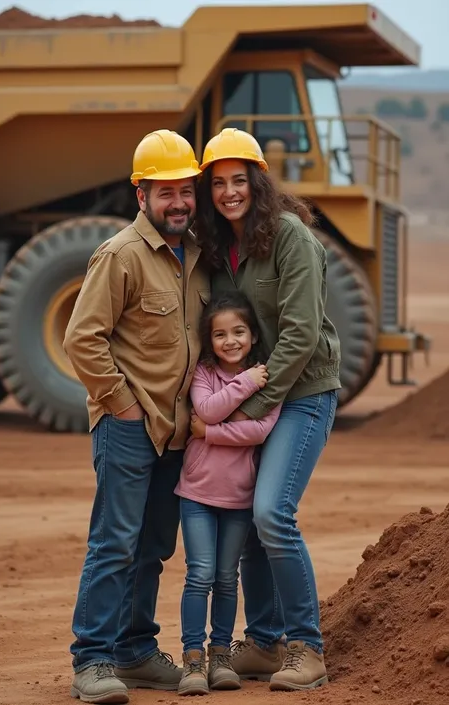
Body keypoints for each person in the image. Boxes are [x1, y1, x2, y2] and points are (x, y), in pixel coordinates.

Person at [63, 129, 210, 705]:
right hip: (129, 427)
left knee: (152, 546)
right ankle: (93, 660)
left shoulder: (194, 258)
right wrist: (122, 406)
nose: (178, 201)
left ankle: (136, 652)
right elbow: (83, 338)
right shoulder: (121, 254)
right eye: (165, 191)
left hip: (176, 434)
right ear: (141, 194)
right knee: (114, 543)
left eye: (185, 190)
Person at [194, 127, 341, 691]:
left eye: (239, 180)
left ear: (257, 181)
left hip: (302, 394)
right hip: (251, 401)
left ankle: (306, 647)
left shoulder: (290, 239)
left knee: (272, 514)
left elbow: (300, 335)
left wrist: (240, 409)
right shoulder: (219, 251)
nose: (230, 192)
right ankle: (262, 642)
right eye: (219, 183)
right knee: (249, 517)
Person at [173, 290, 281, 696]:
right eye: (220, 334)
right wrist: (242, 386)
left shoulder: (267, 376)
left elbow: (258, 430)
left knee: (226, 577)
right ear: (210, 339)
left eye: (239, 332)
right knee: (199, 575)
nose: (230, 340)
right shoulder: (203, 372)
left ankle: (220, 655)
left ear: (253, 335)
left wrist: (208, 431)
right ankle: (193, 661)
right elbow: (211, 406)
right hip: (197, 495)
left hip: (238, 499)